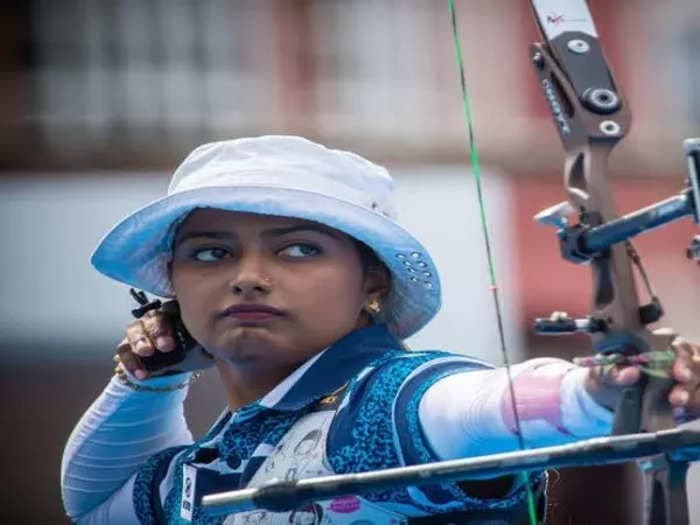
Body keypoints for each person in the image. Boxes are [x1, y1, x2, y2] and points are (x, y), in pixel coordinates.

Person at [61, 136, 700, 525]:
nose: (248, 277)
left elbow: (479, 408)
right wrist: (146, 381)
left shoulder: (384, 403)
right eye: (210, 254)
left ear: (373, 283)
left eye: (298, 250)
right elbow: (95, 506)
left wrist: (607, 391)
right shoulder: (215, 456)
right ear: (170, 289)